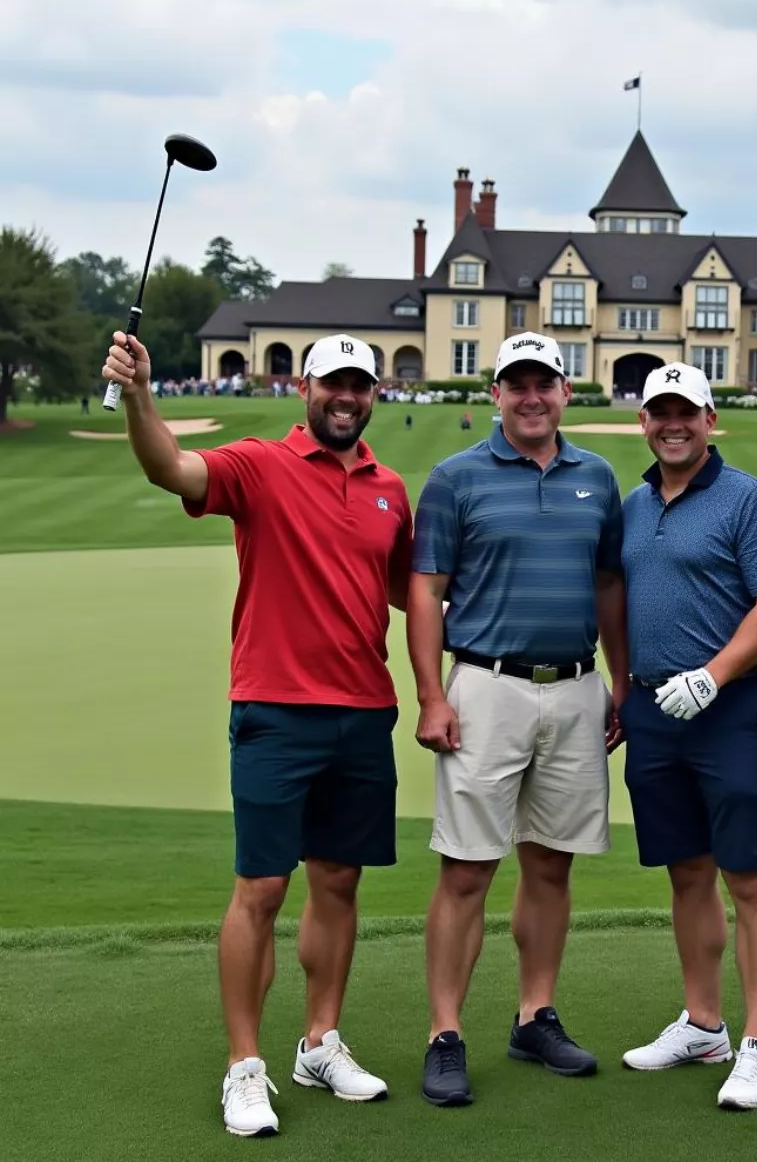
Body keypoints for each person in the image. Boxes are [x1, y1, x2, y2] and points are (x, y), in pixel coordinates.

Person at [101, 330, 413, 1138]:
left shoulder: (389, 488)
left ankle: (320, 1041)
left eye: (360, 386)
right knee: (263, 888)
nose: (347, 397)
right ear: (306, 388)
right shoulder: (258, 465)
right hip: (275, 708)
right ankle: (245, 1066)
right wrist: (139, 396)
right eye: (334, 384)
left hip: (363, 710)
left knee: (339, 881)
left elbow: (416, 591)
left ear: (373, 394)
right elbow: (169, 467)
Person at [406, 330, 628, 1107]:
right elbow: (427, 590)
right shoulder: (455, 478)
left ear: (566, 391)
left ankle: (535, 1015)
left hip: (574, 687)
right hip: (485, 687)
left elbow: (607, 588)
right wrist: (432, 694)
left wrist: (620, 682)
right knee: (467, 868)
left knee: (551, 861)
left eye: (545, 383)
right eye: (516, 383)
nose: (531, 396)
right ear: (495, 394)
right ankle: (445, 1032)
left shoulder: (598, 478)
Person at [617, 363, 757, 1111]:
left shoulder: (749, 499)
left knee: (749, 877)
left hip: (732, 709)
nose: (673, 424)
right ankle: (704, 1024)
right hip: (654, 712)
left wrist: (712, 676)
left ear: (709, 418)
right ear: (644, 422)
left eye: (686, 412)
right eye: (660, 412)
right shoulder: (631, 507)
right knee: (686, 871)